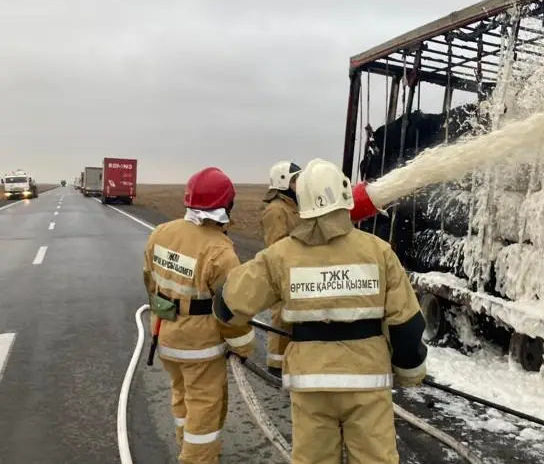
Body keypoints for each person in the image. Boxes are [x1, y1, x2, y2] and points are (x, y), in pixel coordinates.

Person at [213, 158, 427, 464]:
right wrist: (409, 373)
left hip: (310, 385)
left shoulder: (281, 256)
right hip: (367, 383)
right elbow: (406, 326)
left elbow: (228, 304)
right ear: (344, 196)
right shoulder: (378, 252)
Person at [143, 167, 255, 464]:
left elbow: (150, 282)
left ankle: (183, 442)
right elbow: (232, 311)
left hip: (165, 335)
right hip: (200, 348)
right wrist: (243, 346)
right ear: (227, 204)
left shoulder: (160, 234)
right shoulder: (220, 251)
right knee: (205, 407)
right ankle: (197, 458)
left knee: (181, 394)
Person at [261, 160, 302, 377]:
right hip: (282, 271)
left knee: (291, 318)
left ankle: (288, 361)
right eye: (294, 179)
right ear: (283, 181)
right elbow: (277, 245)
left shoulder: (292, 206)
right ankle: (276, 365)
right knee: (281, 317)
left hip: (295, 269)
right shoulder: (276, 210)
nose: (298, 183)